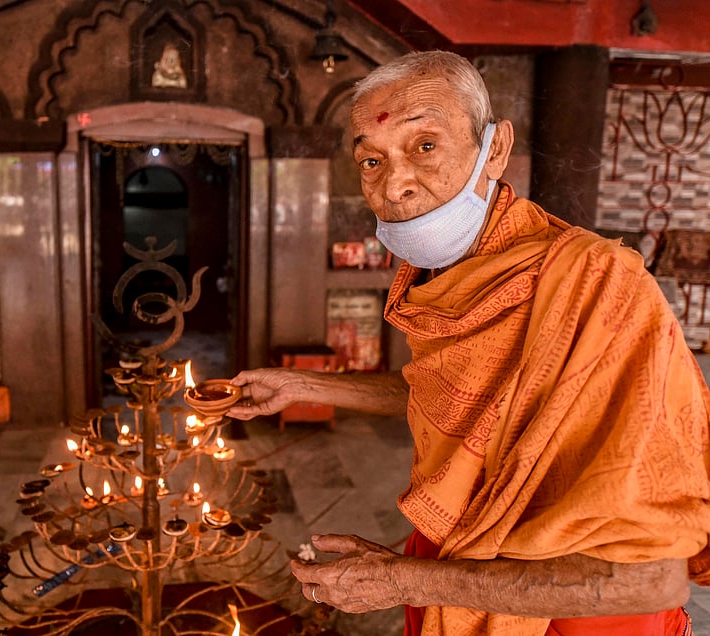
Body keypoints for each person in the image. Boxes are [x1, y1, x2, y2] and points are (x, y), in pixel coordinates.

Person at [226, 50, 710, 635]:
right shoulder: (440, 278)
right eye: (372, 160)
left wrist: (404, 579)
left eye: (424, 146)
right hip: (455, 557)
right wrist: (301, 386)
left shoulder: (600, 286)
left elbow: (650, 579)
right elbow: (460, 395)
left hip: (583, 615)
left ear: (495, 149)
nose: (396, 184)